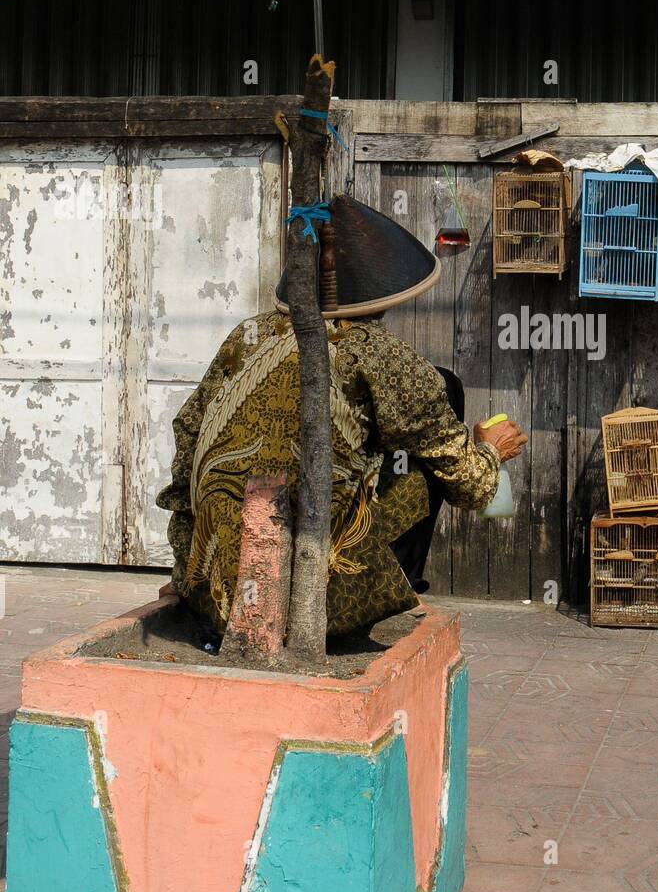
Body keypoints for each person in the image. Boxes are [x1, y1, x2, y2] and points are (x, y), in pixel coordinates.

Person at [155, 196, 527, 636]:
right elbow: (471, 486)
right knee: (434, 448)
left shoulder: (247, 334)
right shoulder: (382, 355)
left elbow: (187, 434)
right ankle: (386, 589)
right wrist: (489, 450)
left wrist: (186, 559)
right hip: (306, 592)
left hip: (208, 582)